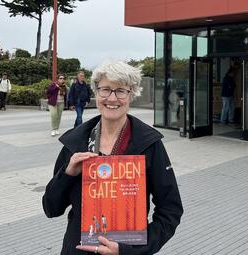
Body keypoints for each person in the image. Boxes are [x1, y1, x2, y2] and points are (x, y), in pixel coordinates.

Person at [42, 60, 183, 255]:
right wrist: (67, 174)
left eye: (121, 91)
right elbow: (51, 208)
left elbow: (170, 210)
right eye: (105, 89)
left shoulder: (149, 144)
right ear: (96, 92)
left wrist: (132, 249)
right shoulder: (76, 143)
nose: (112, 98)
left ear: (131, 95)